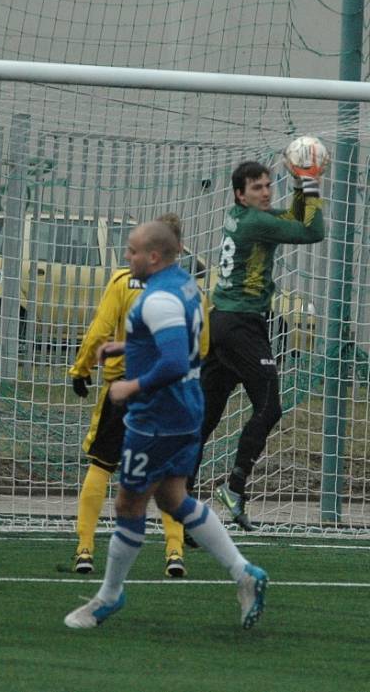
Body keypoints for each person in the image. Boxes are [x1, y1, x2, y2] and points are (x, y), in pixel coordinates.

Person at [64, 220, 268, 631]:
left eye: (133, 251)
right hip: (186, 409)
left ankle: (108, 596)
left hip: (158, 415)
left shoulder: (156, 300)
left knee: (127, 503)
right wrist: (130, 345)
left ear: (154, 256)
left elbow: (174, 361)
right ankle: (244, 572)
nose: (127, 256)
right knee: (174, 498)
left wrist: (129, 386)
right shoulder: (187, 286)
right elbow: (185, 341)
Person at [191, 161, 325, 531]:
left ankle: (180, 503)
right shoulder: (256, 223)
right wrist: (311, 182)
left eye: (268, 185)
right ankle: (234, 486)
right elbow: (313, 230)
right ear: (239, 194)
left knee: (205, 420)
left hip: (223, 323)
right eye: (257, 188)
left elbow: (289, 215)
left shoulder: (242, 217)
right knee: (269, 407)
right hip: (241, 327)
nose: (265, 192)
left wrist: (301, 185)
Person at [68, 213, 200, 578]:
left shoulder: (123, 281)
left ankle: (84, 548)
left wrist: (81, 368)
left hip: (125, 388)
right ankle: (174, 553)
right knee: (170, 477)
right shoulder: (189, 289)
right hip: (171, 392)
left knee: (101, 465)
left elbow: (99, 329)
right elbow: (200, 344)